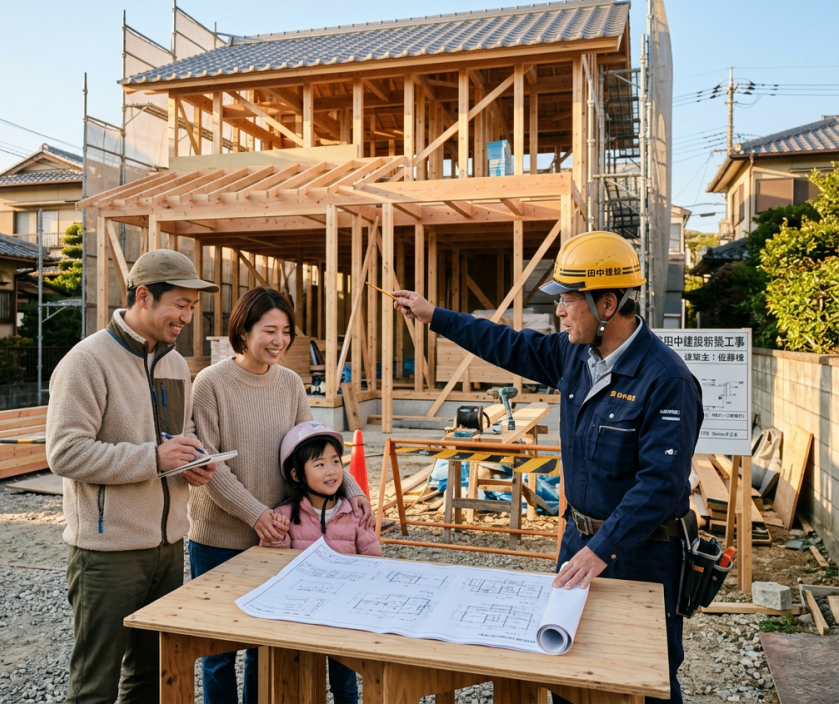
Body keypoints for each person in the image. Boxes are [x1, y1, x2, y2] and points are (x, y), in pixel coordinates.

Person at [393, 231, 702, 704]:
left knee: (643, 680)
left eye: (568, 300)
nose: (558, 311)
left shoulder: (667, 379)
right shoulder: (574, 355)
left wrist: (602, 549)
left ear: (607, 305)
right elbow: (506, 344)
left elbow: (659, 484)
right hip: (579, 541)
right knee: (566, 667)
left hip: (642, 554)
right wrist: (434, 315)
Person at [46, 249, 219, 704]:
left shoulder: (175, 364)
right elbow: (64, 453)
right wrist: (154, 459)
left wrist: (191, 462)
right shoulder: (86, 362)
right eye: (179, 305)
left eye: (191, 308)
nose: (186, 317)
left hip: (167, 546)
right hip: (107, 553)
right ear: (144, 296)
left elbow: (175, 439)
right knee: (94, 685)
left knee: (150, 677)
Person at [189, 287, 373, 704]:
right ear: (244, 329)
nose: (279, 341)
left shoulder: (290, 382)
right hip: (219, 535)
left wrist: (353, 489)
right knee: (218, 649)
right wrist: (256, 514)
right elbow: (209, 466)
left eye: (286, 332)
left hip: (278, 537)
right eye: (269, 330)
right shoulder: (210, 383)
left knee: (263, 644)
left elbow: (314, 448)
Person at [261, 421, 381, 704]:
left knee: (345, 679)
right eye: (319, 464)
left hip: (344, 612)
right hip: (302, 613)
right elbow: (274, 565)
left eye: (336, 461)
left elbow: (374, 562)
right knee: (300, 677)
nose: (331, 470)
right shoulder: (284, 514)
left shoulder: (355, 514)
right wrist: (277, 535)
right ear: (296, 473)